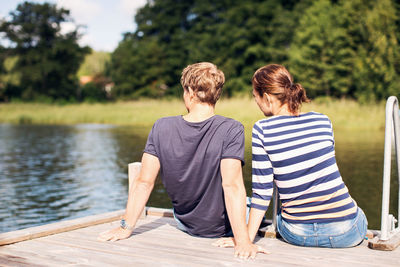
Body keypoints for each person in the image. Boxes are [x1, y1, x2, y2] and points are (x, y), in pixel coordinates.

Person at [98, 62, 267, 259]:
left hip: (185, 223)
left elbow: (144, 182)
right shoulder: (231, 128)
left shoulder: (161, 127)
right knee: (251, 203)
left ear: (190, 92)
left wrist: (125, 227)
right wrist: (243, 241)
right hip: (221, 227)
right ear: (217, 94)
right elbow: (232, 186)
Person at [216, 64, 367, 248]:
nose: (255, 102)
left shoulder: (262, 130)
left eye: (255, 96)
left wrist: (244, 240)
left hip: (297, 234)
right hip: (346, 233)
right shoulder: (322, 120)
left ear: (267, 97)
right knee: (356, 211)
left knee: (277, 214)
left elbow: (262, 193)